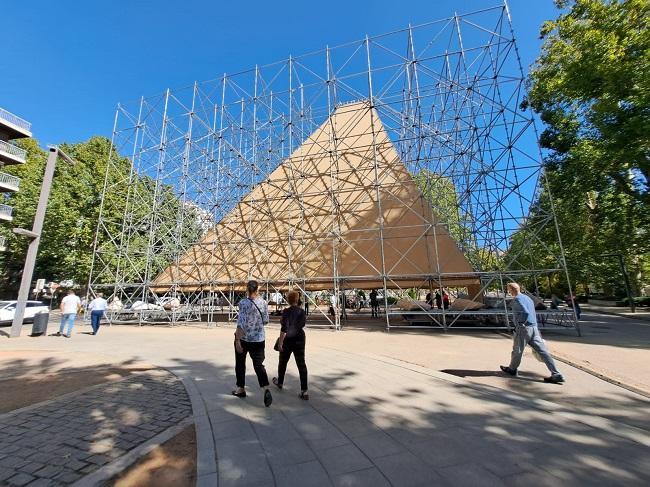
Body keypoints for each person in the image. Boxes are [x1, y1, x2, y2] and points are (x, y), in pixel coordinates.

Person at [500, 282, 564, 384]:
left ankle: (512, 369)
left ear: (511, 290)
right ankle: (556, 373)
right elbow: (532, 310)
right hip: (534, 328)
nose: (508, 292)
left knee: (517, 350)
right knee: (543, 352)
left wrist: (521, 323)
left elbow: (525, 312)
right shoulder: (528, 298)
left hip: (524, 329)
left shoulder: (517, 300)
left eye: (508, 290)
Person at [232, 280, 273, 407]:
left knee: (240, 363)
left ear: (247, 289)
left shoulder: (243, 303)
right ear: (257, 288)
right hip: (259, 339)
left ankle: (241, 388)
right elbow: (266, 320)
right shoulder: (263, 303)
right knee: (258, 365)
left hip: (244, 338)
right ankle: (265, 387)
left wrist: (237, 340)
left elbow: (241, 322)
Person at [273, 290, 309, 400]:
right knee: (301, 364)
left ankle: (280, 382)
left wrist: (280, 343)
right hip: (299, 339)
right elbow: (302, 324)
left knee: (283, 362)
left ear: (288, 300)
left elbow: (284, 329)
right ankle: (304, 391)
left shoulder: (286, 312)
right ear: (297, 300)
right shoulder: (302, 312)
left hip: (288, 339)